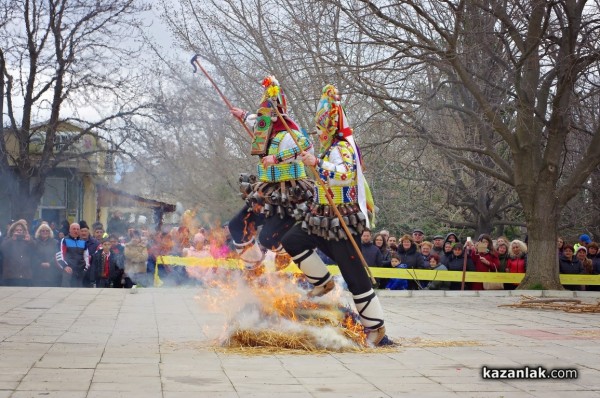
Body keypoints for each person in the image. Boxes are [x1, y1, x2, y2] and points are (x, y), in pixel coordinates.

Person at [281, 84, 391, 346]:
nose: (318, 133)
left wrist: (317, 164)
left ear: (330, 127)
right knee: (293, 239)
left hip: (341, 219)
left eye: (320, 129)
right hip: (319, 216)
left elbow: (344, 175)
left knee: (354, 275)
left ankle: (376, 327)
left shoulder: (342, 148)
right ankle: (323, 282)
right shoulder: (329, 148)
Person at [228, 76, 315, 274]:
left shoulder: (291, 132)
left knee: (268, 237)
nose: (263, 117)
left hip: (290, 193)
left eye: (270, 110)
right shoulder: (263, 128)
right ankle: (254, 267)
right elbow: (253, 120)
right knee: (236, 226)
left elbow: (308, 147)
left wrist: (277, 159)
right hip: (266, 191)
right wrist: (242, 115)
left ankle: (286, 258)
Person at [1, 219, 34, 286]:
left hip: (25, 274)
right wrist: (12, 239)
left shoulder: (27, 239)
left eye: (20, 230)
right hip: (11, 275)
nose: (19, 232)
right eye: (17, 230)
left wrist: (29, 241)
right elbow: (2, 249)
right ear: (13, 231)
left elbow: (35, 249)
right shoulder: (7, 239)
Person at [56, 222, 90, 287]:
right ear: (69, 230)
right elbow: (59, 255)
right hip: (68, 272)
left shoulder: (83, 242)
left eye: (77, 229)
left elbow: (86, 256)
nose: (76, 231)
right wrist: (65, 266)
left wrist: (85, 268)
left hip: (80, 272)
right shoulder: (64, 240)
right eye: (74, 229)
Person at [33, 222, 62, 287]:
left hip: (52, 272)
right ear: (39, 232)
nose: (45, 232)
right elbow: (33, 255)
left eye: (47, 231)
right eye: (42, 231)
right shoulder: (35, 242)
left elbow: (57, 255)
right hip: (38, 272)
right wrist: (40, 263)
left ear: (50, 232)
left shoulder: (55, 242)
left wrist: (50, 263)